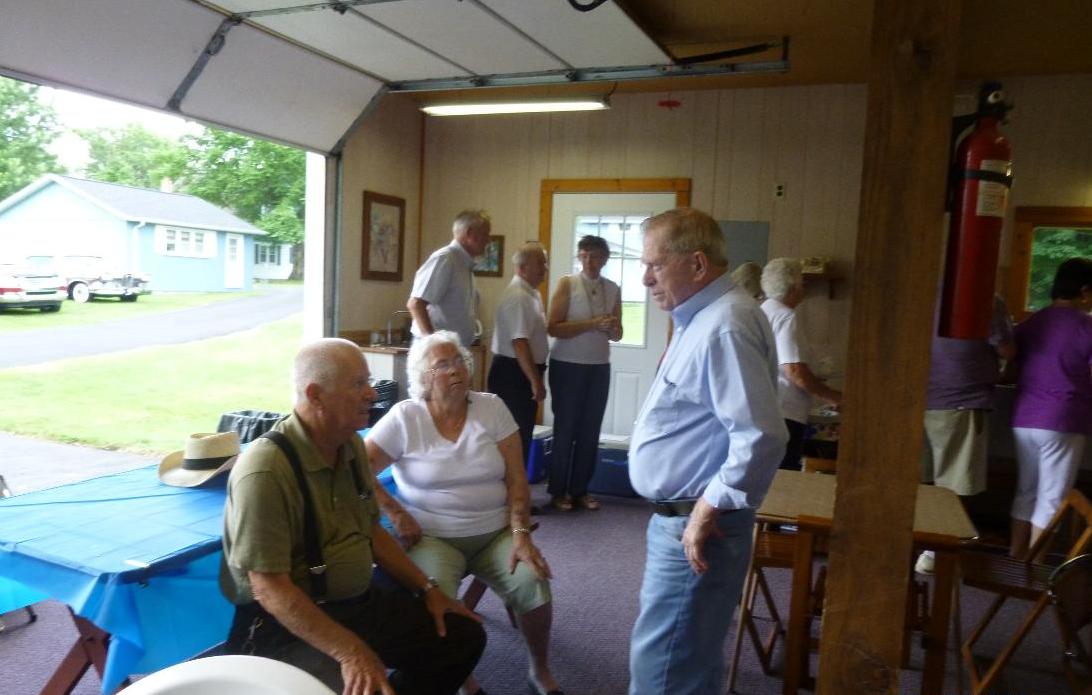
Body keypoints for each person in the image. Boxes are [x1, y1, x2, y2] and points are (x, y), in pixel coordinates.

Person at [219, 338, 486, 695]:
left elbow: (371, 530)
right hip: (282, 623)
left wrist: (428, 589)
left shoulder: (350, 445)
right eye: (358, 384)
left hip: (356, 604)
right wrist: (350, 651)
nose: (373, 395)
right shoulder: (266, 470)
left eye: (368, 382)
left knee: (461, 636)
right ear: (315, 395)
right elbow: (269, 588)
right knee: (345, 684)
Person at [628, 208, 787, 694]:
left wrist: (706, 509)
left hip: (698, 524)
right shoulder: (705, 316)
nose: (645, 276)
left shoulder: (724, 325)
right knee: (687, 657)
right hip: (687, 518)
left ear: (697, 264)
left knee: (665, 668)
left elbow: (760, 435)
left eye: (655, 264)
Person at [365, 331, 563, 695]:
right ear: (423, 376)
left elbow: (519, 479)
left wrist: (521, 534)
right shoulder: (405, 417)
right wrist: (395, 512)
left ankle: (540, 668)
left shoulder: (491, 407)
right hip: (432, 536)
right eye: (443, 364)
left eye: (459, 362)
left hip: (496, 532)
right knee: (433, 597)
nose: (456, 370)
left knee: (533, 581)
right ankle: (462, 675)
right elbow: (358, 468)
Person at [916, 294, 1015, 574]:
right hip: (961, 398)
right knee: (953, 484)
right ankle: (935, 553)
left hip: (914, 399)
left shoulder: (917, 292)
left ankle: (921, 545)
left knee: (922, 479)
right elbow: (1007, 350)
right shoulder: (984, 298)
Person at [1008, 258, 1092, 559]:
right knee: (1051, 498)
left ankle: (1016, 558)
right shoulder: (1087, 326)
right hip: (1064, 419)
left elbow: (1012, 360)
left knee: (1026, 491)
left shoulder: (1031, 322)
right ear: (1084, 291)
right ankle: (1034, 568)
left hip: (1024, 417)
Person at [545, 235, 623, 511]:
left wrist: (612, 328)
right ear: (579, 257)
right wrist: (591, 324)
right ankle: (557, 491)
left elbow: (618, 333)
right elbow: (553, 327)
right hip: (567, 365)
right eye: (585, 255)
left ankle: (580, 490)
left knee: (590, 431)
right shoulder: (567, 283)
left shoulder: (613, 288)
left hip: (599, 366)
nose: (590, 261)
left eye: (596, 256)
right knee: (566, 429)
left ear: (605, 259)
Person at [760, 258, 843, 470]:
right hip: (785, 412)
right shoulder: (786, 316)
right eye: (802, 282)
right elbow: (794, 370)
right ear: (793, 287)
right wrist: (833, 396)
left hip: (763, 408)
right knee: (783, 477)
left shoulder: (761, 312)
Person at [489, 243, 549, 464]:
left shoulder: (531, 293)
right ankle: (512, 494)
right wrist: (535, 381)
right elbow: (519, 342)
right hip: (513, 374)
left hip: (522, 371)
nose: (545, 268)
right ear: (522, 268)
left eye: (545, 263)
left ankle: (518, 491)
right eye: (540, 264)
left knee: (522, 434)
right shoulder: (518, 296)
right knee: (512, 438)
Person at [408, 210, 492, 347]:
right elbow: (416, 304)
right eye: (486, 234)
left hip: (454, 351)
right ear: (470, 234)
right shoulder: (445, 259)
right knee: (431, 370)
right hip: (436, 354)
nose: (489, 240)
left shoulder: (464, 265)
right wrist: (435, 346)